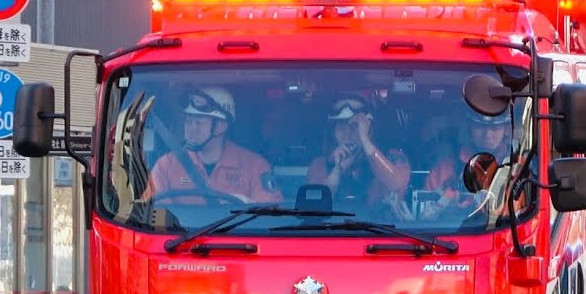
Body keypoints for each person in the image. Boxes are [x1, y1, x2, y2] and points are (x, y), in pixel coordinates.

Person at [144, 86, 281, 204]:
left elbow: (270, 215)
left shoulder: (255, 166)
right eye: (188, 121)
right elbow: (152, 218)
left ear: (221, 126)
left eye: (199, 122)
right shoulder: (166, 166)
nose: (192, 128)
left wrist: (247, 207)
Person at [306, 95, 412, 215]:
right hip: (332, 231)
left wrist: (365, 142)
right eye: (341, 126)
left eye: (355, 126)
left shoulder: (394, 157)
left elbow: (396, 185)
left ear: (368, 130)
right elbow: (313, 208)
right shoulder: (321, 164)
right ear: (333, 132)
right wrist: (336, 170)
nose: (348, 133)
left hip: (384, 231)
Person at [420, 110, 513, 219]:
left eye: (495, 128)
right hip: (453, 232)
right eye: (480, 127)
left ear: (506, 130)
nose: (487, 135)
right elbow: (425, 216)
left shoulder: (517, 167)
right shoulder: (445, 169)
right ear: (470, 128)